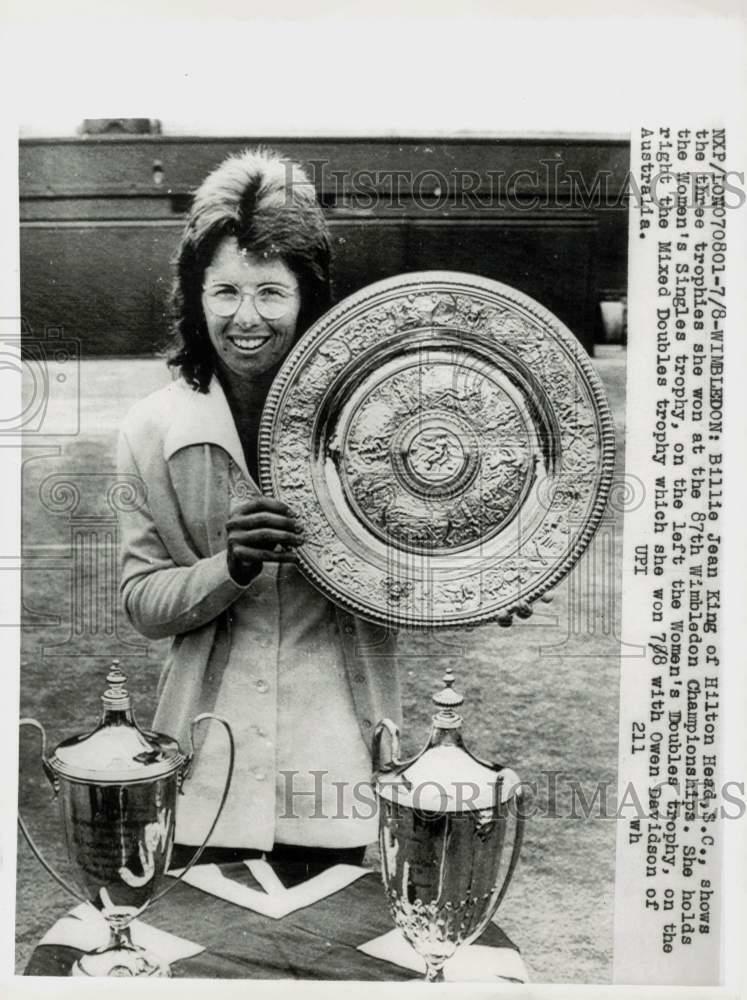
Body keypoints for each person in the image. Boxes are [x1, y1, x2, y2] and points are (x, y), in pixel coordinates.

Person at [116, 148, 400, 882]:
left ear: (308, 295)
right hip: (204, 768)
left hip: (335, 765)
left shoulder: (375, 421)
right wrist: (228, 568)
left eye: (271, 292)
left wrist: (483, 577)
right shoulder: (149, 428)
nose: (247, 317)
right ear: (194, 294)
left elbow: (411, 570)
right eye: (225, 292)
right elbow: (143, 603)